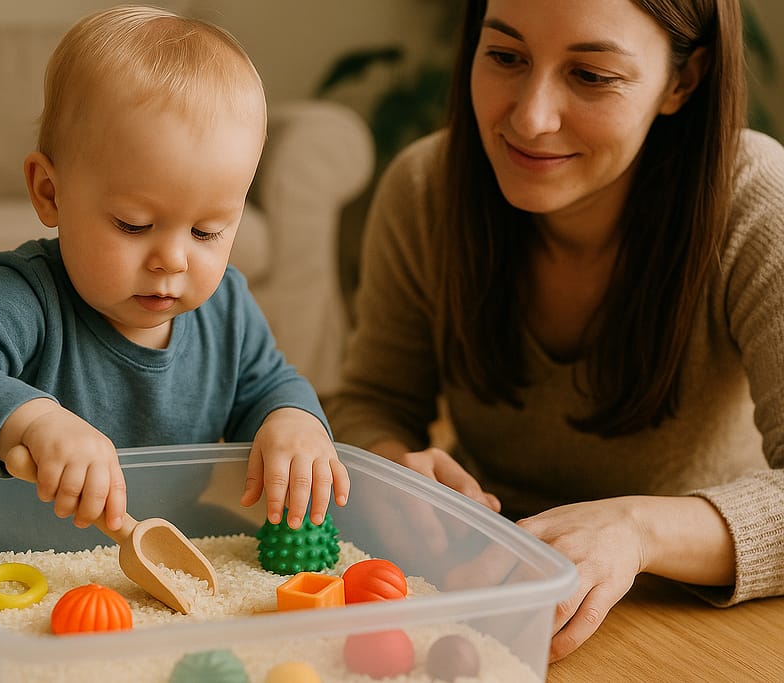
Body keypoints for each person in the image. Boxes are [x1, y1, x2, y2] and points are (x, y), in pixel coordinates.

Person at [0, 5, 349, 615]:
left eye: (209, 231)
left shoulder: (228, 307)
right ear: (49, 192)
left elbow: (267, 384)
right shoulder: (25, 293)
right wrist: (32, 420)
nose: (172, 260)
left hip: (143, 558)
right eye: (134, 225)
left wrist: (292, 420)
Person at [327, 0, 784, 662]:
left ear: (683, 81)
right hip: (497, 607)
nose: (531, 116)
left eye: (592, 75)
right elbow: (369, 398)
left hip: (701, 620)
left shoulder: (755, 201)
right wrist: (391, 466)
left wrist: (636, 530)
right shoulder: (425, 189)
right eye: (506, 57)